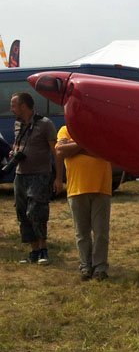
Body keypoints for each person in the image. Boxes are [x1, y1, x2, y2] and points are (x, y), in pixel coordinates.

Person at [9, 92, 62, 264]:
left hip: (40, 174)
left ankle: (43, 249)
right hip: (20, 175)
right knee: (23, 213)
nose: (11, 108)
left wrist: (58, 178)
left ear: (24, 105)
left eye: (14, 105)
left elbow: (56, 153)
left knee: (37, 211)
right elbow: (18, 144)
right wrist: (14, 152)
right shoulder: (18, 124)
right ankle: (33, 250)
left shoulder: (45, 124)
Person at [56, 125, 112, 281]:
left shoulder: (101, 129)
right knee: (82, 233)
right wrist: (87, 145)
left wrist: (75, 148)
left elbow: (106, 151)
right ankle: (85, 267)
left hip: (101, 187)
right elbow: (60, 151)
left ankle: (100, 268)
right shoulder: (66, 130)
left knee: (101, 232)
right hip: (76, 188)